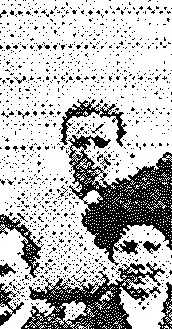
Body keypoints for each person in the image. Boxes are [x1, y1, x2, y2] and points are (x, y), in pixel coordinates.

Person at [25, 112, 130, 309]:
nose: (89, 154)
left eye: (101, 143)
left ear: (120, 148)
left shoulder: (139, 206)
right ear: (66, 147)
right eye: (80, 143)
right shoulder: (39, 210)